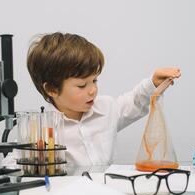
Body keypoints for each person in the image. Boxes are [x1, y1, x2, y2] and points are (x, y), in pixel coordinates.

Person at [26, 32, 181, 166]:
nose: (93, 90)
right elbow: (15, 163)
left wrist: (153, 83)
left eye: (94, 81)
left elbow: (135, 101)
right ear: (51, 89)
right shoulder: (42, 130)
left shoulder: (106, 108)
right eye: (82, 85)